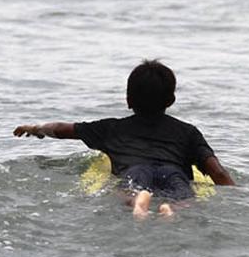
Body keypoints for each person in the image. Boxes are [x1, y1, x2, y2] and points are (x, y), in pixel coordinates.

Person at [13, 59, 235, 218]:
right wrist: (237, 193)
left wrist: (35, 128)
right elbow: (218, 172)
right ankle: (170, 210)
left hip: (135, 170)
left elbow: (62, 129)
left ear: (128, 100)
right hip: (173, 172)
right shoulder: (188, 132)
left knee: (127, 192)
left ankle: (138, 203)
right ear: (171, 100)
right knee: (186, 199)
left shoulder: (111, 129)